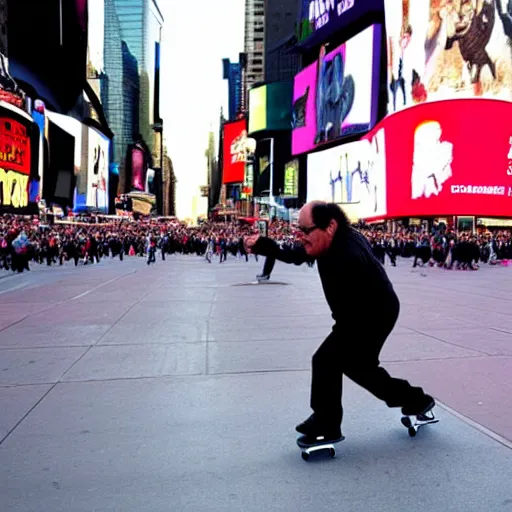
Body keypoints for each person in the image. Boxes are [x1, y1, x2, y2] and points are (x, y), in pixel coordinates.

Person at [245, 201, 435, 447]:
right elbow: (295, 255)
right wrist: (263, 245)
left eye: (305, 231)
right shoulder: (325, 241)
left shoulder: (348, 255)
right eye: (298, 230)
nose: (300, 237)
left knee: (326, 359)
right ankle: (417, 400)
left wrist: (342, 337)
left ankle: (327, 425)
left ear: (331, 226)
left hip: (373, 313)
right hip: (359, 312)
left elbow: (358, 313)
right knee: (360, 368)